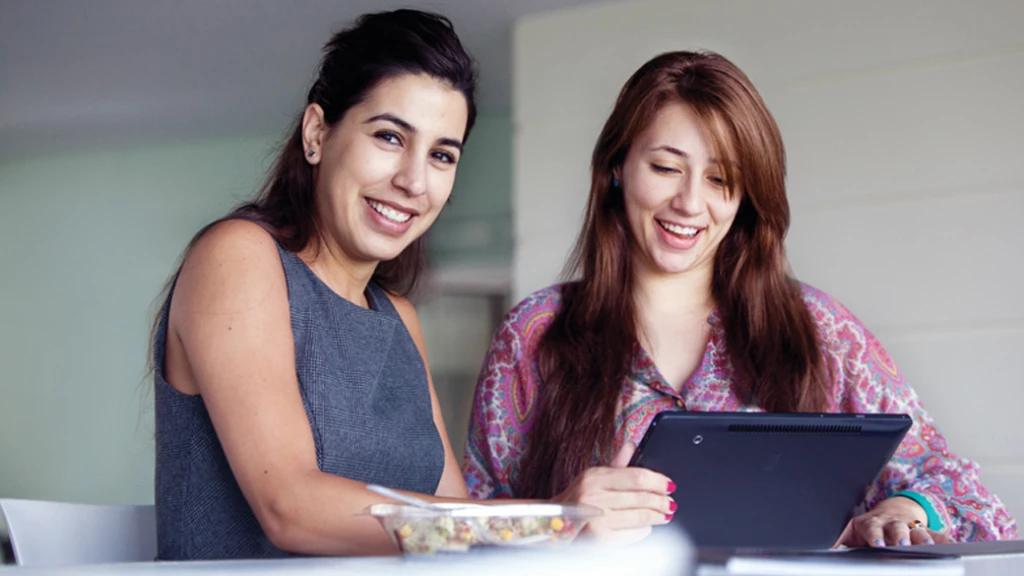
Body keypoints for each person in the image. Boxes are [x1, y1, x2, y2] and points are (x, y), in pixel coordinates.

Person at [151, 9, 672, 561]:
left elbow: (452, 523)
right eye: (389, 137)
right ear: (316, 133)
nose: (413, 181)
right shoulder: (237, 256)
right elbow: (291, 507)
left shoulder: (397, 317)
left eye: (441, 155)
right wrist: (554, 520)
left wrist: (578, 521)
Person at [463, 50, 1018, 548]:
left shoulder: (817, 328)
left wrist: (905, 510)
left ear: (746, 198)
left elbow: (970, 499)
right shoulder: (535, 333)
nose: (689, 203)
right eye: (665, 168)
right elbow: (456, 530)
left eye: (721, 180)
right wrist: (562, 520)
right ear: (615, 168)